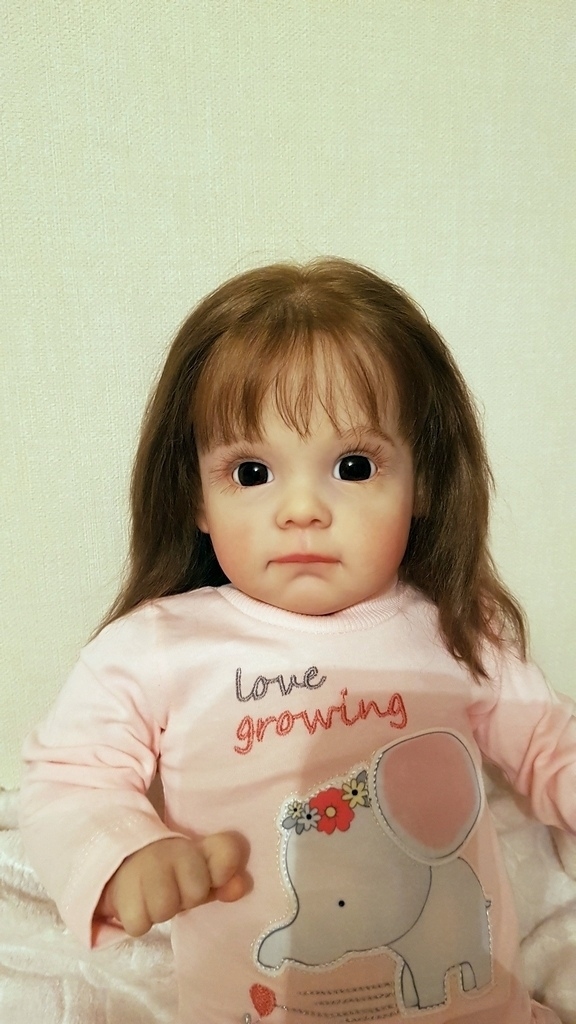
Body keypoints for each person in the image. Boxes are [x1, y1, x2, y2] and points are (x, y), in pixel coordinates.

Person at [20, 258, 574, 1024]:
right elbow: (68, 779)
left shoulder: (452, 625)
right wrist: (126, 854)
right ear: (197, 497)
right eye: (252, 472)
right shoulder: (156, 647)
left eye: (353, 466)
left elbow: (549, 744)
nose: (303, 508)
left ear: (422, 484)